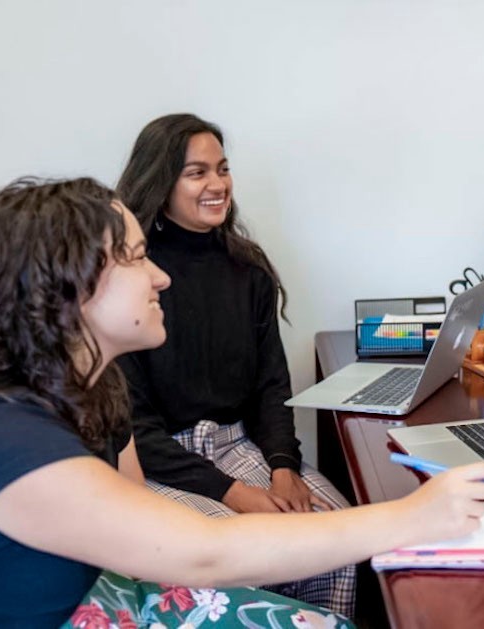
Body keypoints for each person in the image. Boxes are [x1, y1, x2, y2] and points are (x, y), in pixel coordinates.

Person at [0, 177, 484, 626]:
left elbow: (136, 509)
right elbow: (203, 551)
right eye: (134, 259)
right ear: (67, 288)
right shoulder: (6, 439)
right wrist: (411, 516)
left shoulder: (91, 389)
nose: (160, 276)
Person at [115, 114, 356, 613]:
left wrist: (284, 465)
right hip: (163, 463)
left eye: (222, 169)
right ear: (161, 184)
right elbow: (136, 431)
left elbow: (271, 385)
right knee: (245, 555)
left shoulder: (248, 270)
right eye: (197, 173)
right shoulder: (132, 280)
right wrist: (234, 494)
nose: (217, 184)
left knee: (336, 540)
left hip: (237, 443)